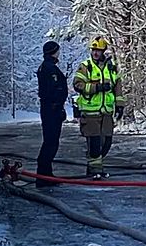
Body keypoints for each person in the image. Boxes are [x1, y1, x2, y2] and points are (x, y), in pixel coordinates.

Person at [73, 36, 126, 179]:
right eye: (93, 50)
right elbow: (78, 85)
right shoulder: (85, 66)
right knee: (94, 143)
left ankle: (96, 167)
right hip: (90, 112)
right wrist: (97, 87)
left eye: (98, 50)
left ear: (104, 51)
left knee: (106, 142)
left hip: (106, 112)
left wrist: (120, 106)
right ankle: (94, 170)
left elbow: (118, 88)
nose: (95, 53)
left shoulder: (112, 67)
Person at [35, 41, 68, 187]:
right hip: (51, 109)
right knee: (50, 142)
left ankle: (46, 173)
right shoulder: (50, 68)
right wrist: (57, 106)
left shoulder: (46, 67)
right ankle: (43, 175)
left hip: (50, 108)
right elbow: (54, 90)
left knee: (51, 141)